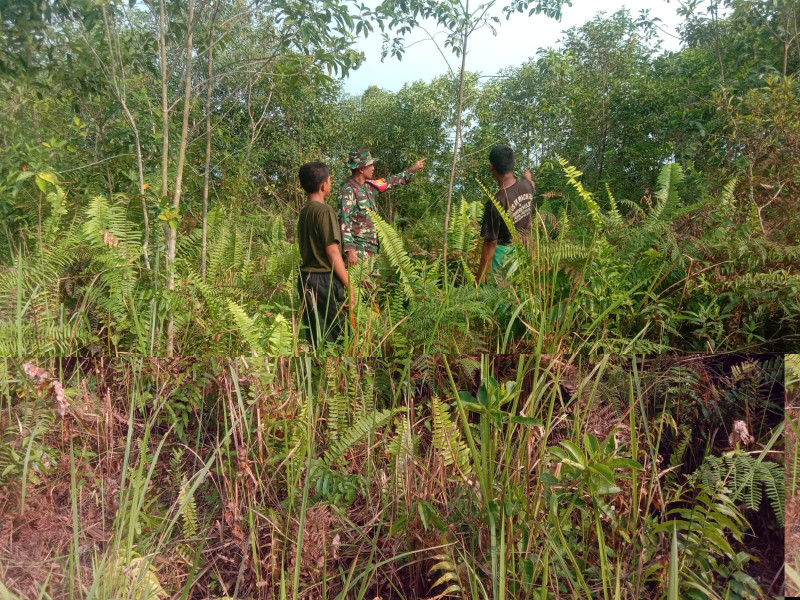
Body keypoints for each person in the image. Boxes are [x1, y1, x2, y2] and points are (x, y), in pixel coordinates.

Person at [296, 161, 355, 347]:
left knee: (316, 336)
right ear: (323, 185)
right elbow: (332, 252)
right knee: (342, 337)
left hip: (305, 279)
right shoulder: (325, 210)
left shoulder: (304, 212)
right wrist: (349, 285)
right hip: (324, 281)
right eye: (330, 180)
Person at [338, 149, 426, 269]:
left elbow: (391, 181)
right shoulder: (348, 190)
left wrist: (412, 169)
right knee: (360, 287)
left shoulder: (369, 187)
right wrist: (350, 250)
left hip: (373, 249)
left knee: (374, 286)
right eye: (370, 165)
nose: (373, 168)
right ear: (361, 169)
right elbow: (344, 220)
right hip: (358, 250)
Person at [476, 144, 536, 284]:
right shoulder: (527, 185)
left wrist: (479, 277)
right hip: (524, 249)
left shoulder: (496, 202)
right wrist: (528, 176)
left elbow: (490, 243)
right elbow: (529, 179)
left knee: (502, 298)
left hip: (503, 256)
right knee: (519, 290)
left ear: (492, 167)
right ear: (514, 163)